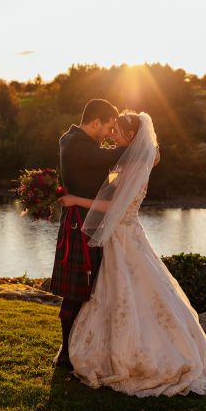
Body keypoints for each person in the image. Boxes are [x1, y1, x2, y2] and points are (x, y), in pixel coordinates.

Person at [59, 111, 206, 396]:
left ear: (131, 137)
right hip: (123, 236)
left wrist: (74, 200)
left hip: (124, 236)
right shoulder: (134, 159)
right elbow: (118, 175)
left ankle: (139, 355)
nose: (112, 135)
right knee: (123, 292)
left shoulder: (133, 164)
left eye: (117, 131)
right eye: (112, 129)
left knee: (131, 292)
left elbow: (112, 206)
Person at [50, 99, 125, 368]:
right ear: (96, 122)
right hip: (81, 224)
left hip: (86, 221)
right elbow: (110, 157)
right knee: (77, 290)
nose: (109, 134)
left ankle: (74, 347)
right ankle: (67, 353)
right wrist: (136, 143)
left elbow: (101, 172)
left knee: (86, 288)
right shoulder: (78, 145)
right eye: (108, 127)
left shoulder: (74, 140)